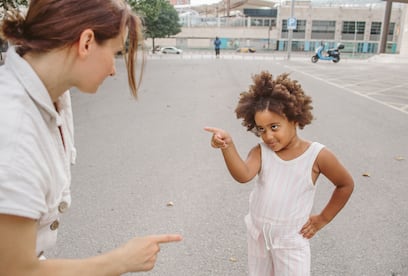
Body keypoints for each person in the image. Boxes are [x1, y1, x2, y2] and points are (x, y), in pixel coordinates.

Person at [0, 1, 182, 275]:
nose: (113, 70)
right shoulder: (14, 128)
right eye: (115, 53)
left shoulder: (54, 94)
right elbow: (14, 270)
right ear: (86, 42)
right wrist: (121, 261)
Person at [205, 72, 354, 276]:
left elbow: (345, 184)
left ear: (294, 119)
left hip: (291, 241)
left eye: (274, 127)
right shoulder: (261, 152)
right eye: (261, 130)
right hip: (258, 236)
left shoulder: (317, 155)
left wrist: (323, 218)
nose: (268, 136)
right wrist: (227, 146)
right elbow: (243, 175)